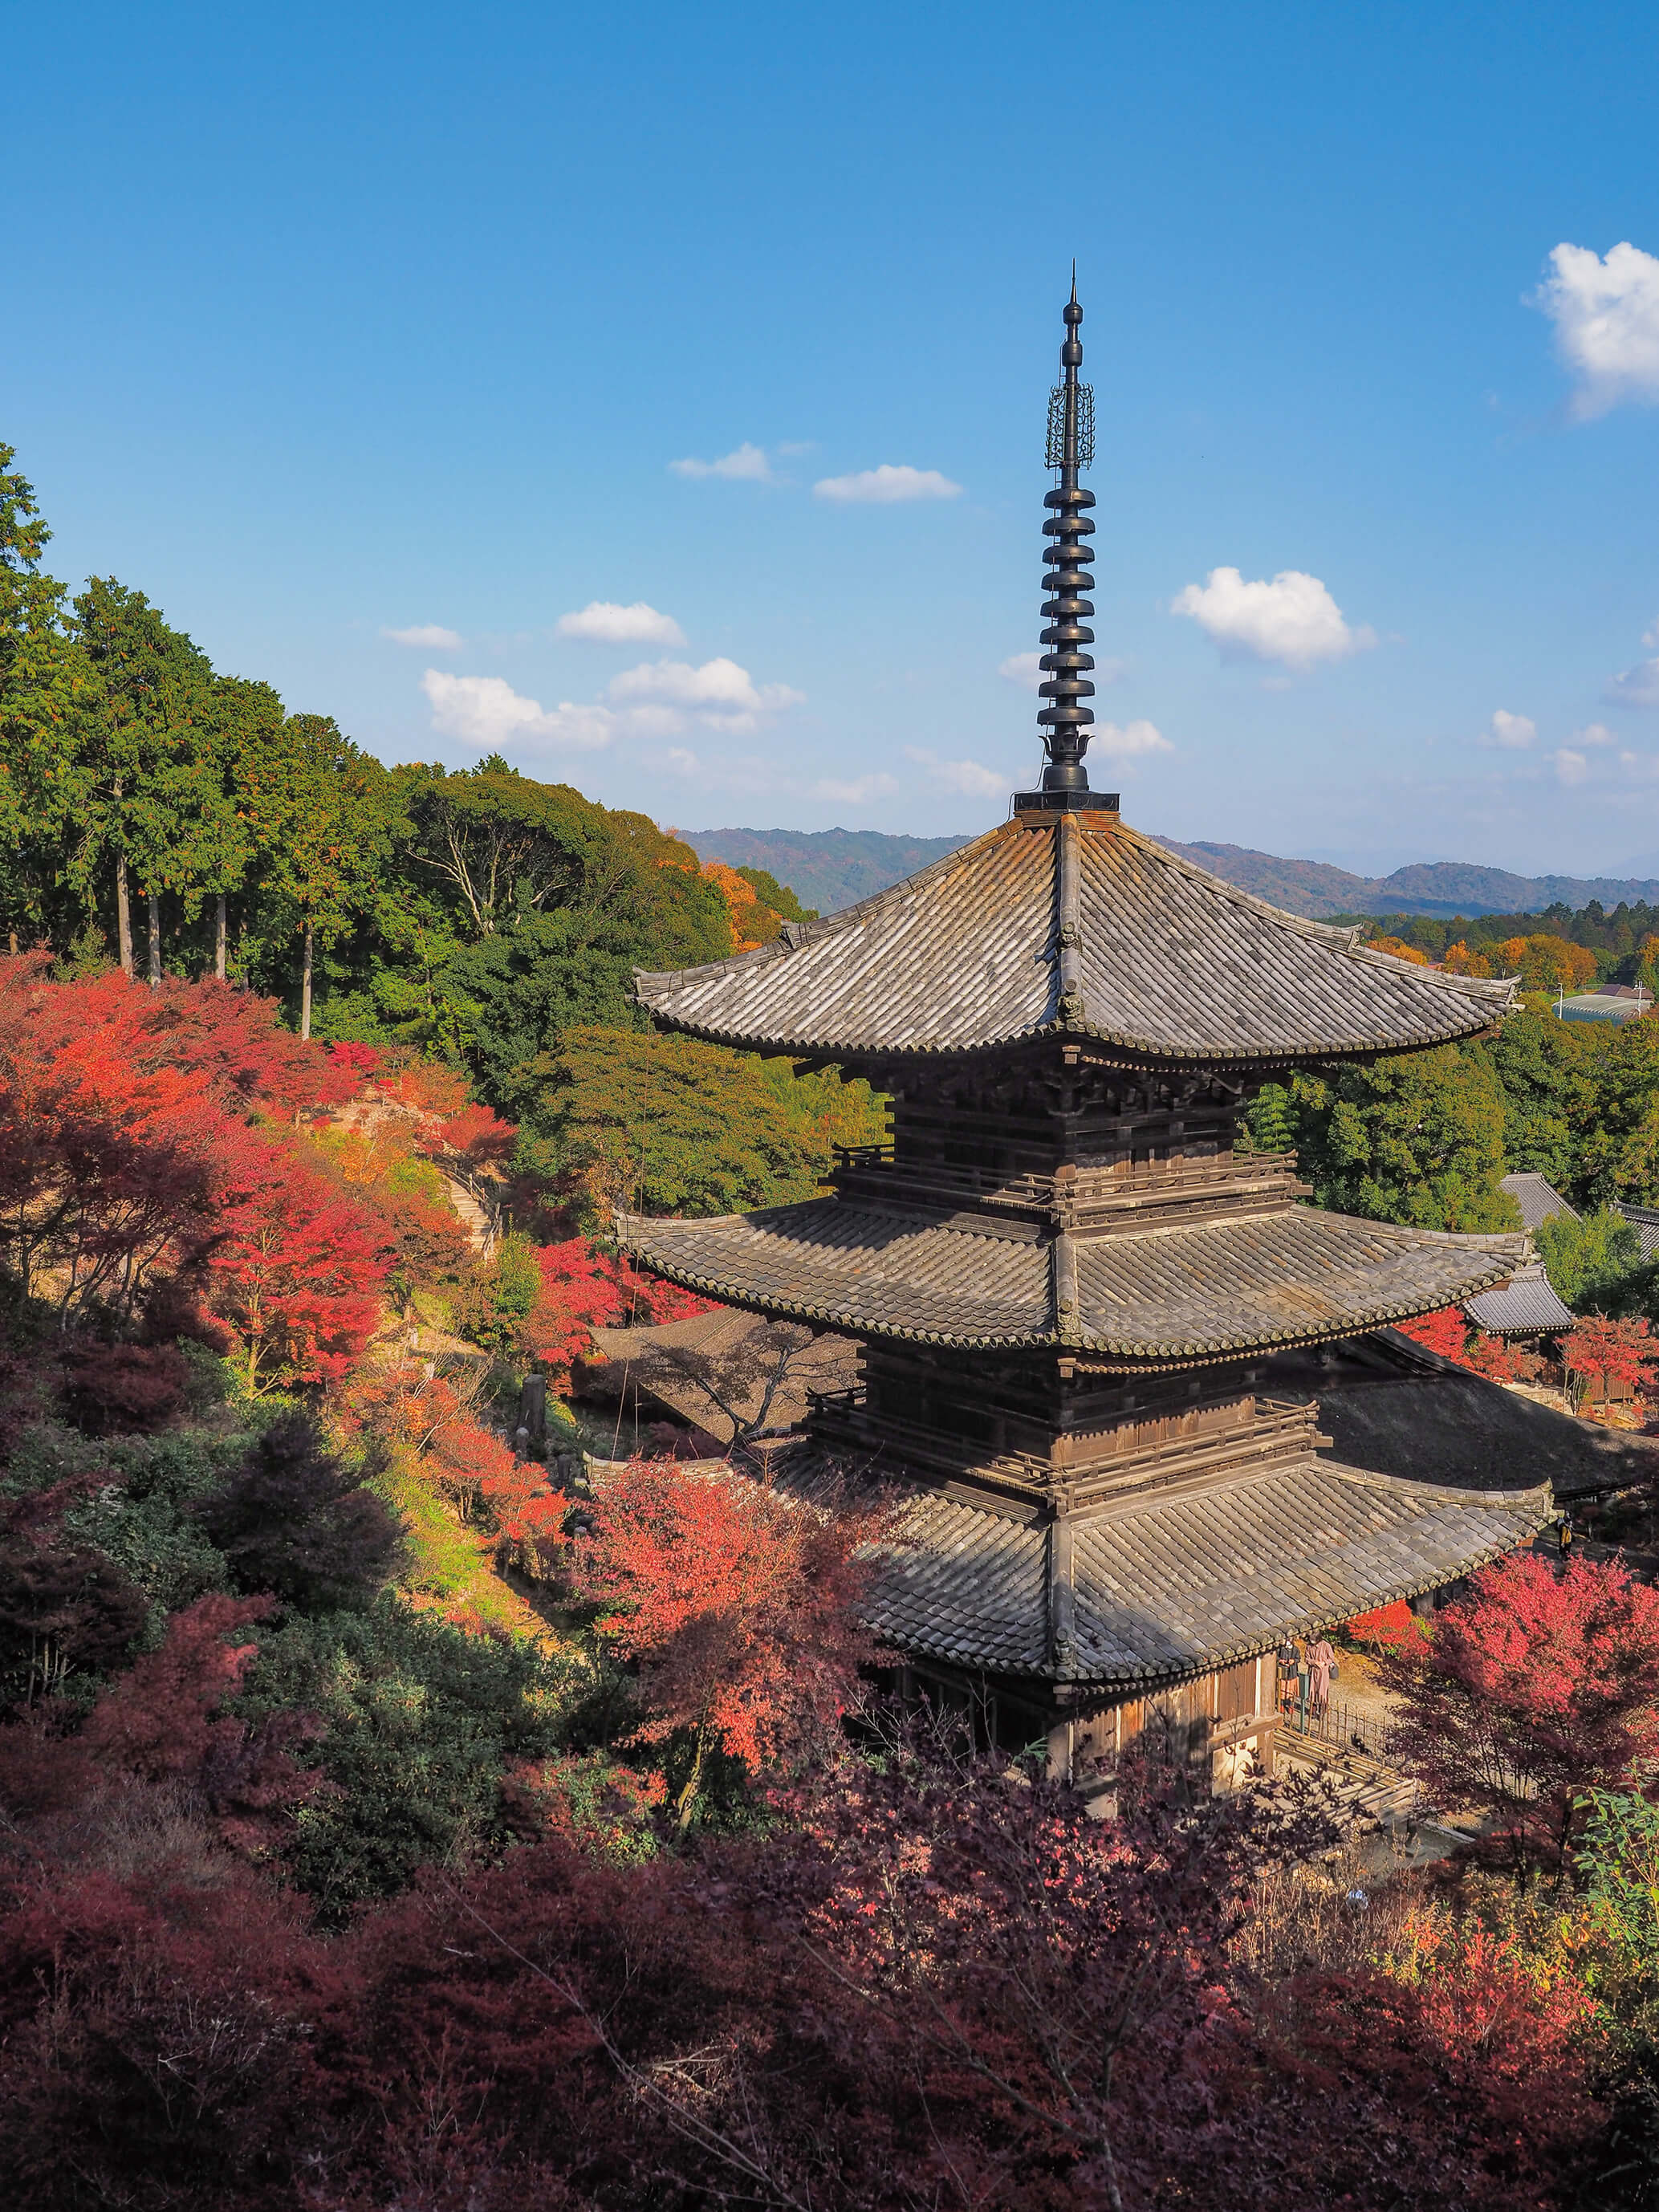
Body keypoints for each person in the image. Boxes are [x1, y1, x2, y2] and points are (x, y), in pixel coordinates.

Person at [1308, 1636, 1336, 1725]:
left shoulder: (1326, 1645)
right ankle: (1313, 1710)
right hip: (1313, 1670)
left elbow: (1331, 1658)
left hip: (1323, 1672)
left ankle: (1322, 1712)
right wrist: (1314, 1662)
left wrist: (1324, 1663)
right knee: (1312, 1690)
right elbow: (1306, 1658)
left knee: (1322, 1691)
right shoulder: (1309, 1646)